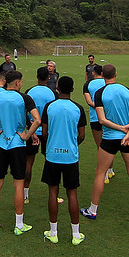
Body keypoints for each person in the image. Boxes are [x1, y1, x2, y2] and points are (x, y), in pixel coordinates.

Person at [0, 70, 40, 236]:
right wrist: (26, 135)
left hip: (1, 144)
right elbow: (37, 120)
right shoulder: (24, 98)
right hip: (18, 145)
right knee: (18, 183)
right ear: (17, 83)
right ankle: (19, 224)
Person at [81, 64, 129, 220]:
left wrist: (121, 129)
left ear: (102, 75)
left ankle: (93, 210)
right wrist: (128, 133)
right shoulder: (127, 90)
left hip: (109, 138)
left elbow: (102, 120)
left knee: (100, 173)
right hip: (128, 139)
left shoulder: (100, 93)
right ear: (116, 74)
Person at [41, 76, 87, 245]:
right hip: (70, 157)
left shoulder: (49, 107)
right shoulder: (78, 108)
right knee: (72, 194)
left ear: (57, 87)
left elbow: (44, 133)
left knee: (53, 192)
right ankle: (76, 234)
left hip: (53, 155)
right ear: (73, 89)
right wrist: (71, 145)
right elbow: (81, 135)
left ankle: (53, 232)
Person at [23, 67, 58, 205]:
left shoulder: (29, 91)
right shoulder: (53, 93)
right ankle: (54, 195)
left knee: (28, 162)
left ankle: (25, 194)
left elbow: (24, 112)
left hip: (32, 131)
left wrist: (29, 127)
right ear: (48, 78)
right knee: (51, 162)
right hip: (47, 133)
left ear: (37, 77)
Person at [83, 64, 116, 183]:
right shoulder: (108, 83)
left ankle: (105, 174)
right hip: (109, 118)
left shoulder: (88, 84)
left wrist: (98, 107)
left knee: (100, 147)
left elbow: (89, 102)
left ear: (93, 73)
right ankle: (110, 170)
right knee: (109, 144)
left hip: (95, 118)